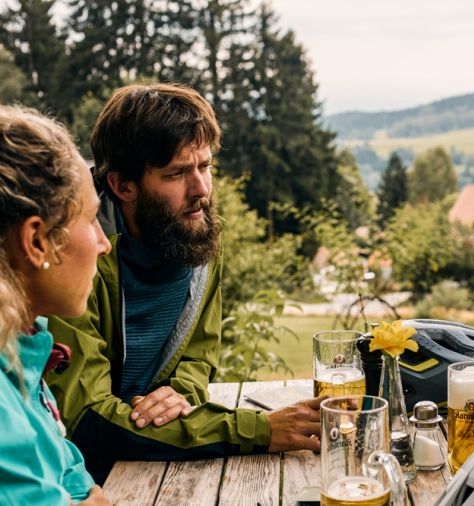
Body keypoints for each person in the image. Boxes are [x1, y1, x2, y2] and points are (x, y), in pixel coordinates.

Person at [45, 83, 321, 484]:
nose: (202, 190)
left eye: (205, 167)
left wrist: (181, 394)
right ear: (123, 186)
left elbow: (198, 356)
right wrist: (258, 430)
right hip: (74, 475)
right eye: (177, 173)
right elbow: (88, 420)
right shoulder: (75, 255)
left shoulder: (196, 236)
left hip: (158, 458)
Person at [0, 105, 112, 504]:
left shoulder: (21, 351)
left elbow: (73, 476)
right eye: (92, 220)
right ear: (36, 241)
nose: (104, 243)